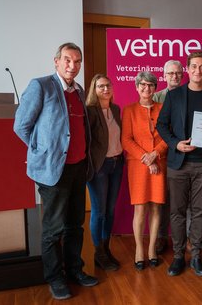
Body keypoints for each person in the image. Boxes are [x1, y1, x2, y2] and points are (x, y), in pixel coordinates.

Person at [13, 42, 98, 300]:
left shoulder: (80, 91)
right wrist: (41, 153)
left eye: (77, 61)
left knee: (75, 225)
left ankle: (75, 270)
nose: (73, 65)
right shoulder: (41, 86)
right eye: (68, 60)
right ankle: (54, 277)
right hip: (54, 171)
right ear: (56, 61)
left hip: (78, 168)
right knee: (53, 228)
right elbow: (21, 126)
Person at [156, 51, 202, 277]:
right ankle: (178, 256)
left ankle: (196, 256)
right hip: (178, 164)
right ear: (187, 69)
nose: (198, 71)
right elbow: (162, 125)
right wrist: (175, 144)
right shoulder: (175, 95)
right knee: (177, 213)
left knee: (199, 212)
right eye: (194, 66)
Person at [121, 71, 168, 271]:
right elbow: (126, 140)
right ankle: (139, 249)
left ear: (155, 88)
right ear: (137, 87)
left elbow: (168, 136)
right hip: (138, 165)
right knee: (140, 208)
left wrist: (155, 154)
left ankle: (152, 249)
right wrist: (147, 159)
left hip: (160, 162)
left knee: (156, 207)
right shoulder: (129, 110)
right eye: (142, 85)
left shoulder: (163, 108)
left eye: (150, 85)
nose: (146, 88)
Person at [86, 74, 124, 271]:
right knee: (99, 212)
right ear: (94, 89)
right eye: (100, 86)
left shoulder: (116, 109)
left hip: (117, 164)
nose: (105, 89)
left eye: (108, 85)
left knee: (110, 210)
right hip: (100, 167)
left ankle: (106, 249)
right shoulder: (90, 111)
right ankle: (98, 252)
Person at [152, 59, 184, 254]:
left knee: (182, 200)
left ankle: (182, 239)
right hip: (160, 156)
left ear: (182, 75)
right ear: (164, 76)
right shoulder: (155, 98)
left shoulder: (189, 95)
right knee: (161, 200)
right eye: (170, 73)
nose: (174, 76)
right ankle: (161, 237)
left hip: (183, 154)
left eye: (178, 73)